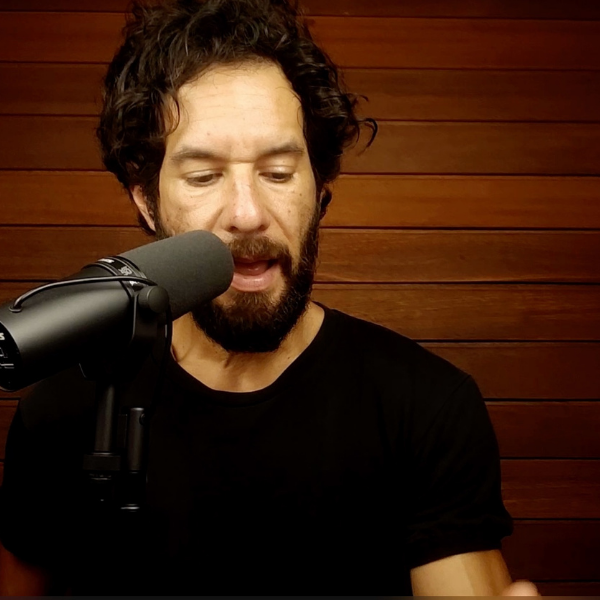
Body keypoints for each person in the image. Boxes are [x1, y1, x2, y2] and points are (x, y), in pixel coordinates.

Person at [0, 0, 537, 595]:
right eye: (203, 176)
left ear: (320, 189)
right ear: (146, 201)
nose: (247, 214)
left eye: (278, 172)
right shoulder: (64, 410)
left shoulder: (427, 407)